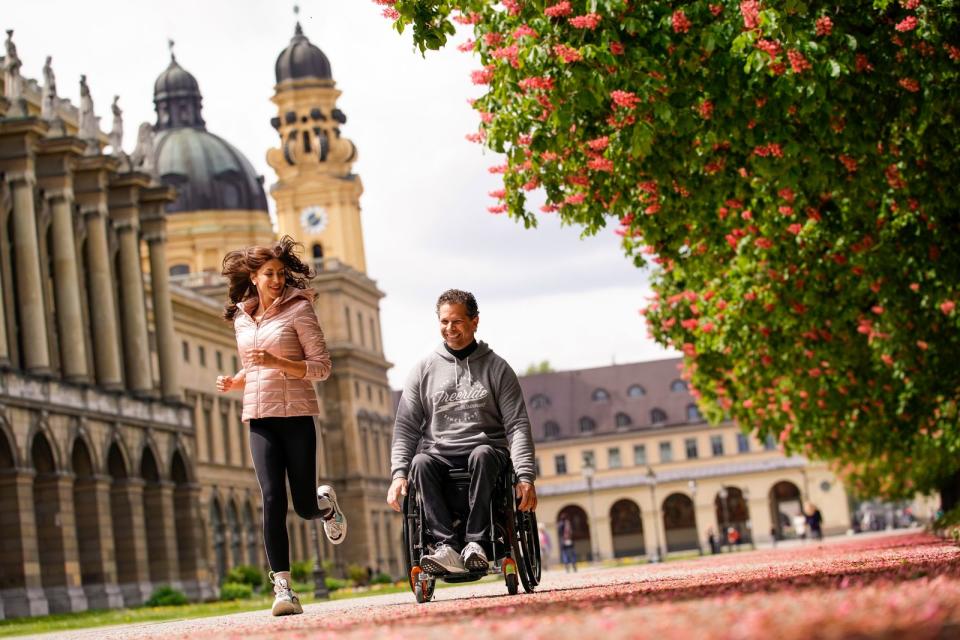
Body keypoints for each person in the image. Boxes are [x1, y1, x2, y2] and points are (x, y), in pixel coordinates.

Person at [216, 236, 347, 616]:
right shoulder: (242, 317)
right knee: (272, 498)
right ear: (253, 277)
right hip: (259, 416)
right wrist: (236, 380)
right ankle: (284, 590)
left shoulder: (300, 310)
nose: (276, 280)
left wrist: (277, 362)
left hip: (296, 416)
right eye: (268, 274)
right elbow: (255, 363)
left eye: (280, 273)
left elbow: (321, 368)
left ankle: (325, 506)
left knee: (303, 505)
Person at [387, 289, 536, 575]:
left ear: (474, 322)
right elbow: (406, 427)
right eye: (444, 322)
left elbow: (517, 424)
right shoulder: (423, 370)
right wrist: (398, 474)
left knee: (482, 454)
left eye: (457, 321)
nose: (449, 329)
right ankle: (446, 548)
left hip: (485, 454)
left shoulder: (497, 368)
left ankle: (477, 543)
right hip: (440, 456)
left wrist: (525, 475)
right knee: (420, 462)